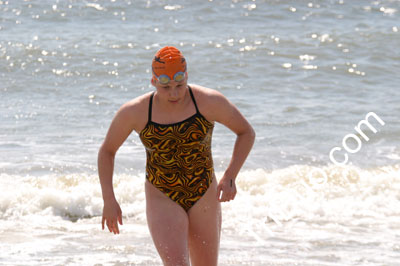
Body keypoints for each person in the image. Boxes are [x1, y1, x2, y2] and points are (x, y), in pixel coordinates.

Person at [98, 46, 255, 266]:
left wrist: (230, 176)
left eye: (179, 85)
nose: (173, 93)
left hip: (203, 192)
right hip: (162, 194)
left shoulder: (208, 102)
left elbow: (246, 132)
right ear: (153, 82)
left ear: (187, 77)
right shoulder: (136, 112)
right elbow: (107, 151)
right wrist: (108, 199)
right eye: (166, 87)